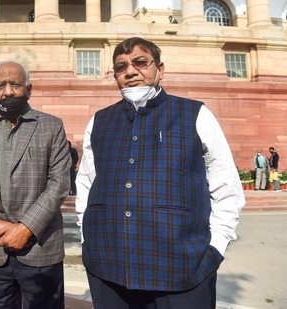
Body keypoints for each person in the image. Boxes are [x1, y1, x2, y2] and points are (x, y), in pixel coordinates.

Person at [75, 37, 245, 309]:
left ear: (160, 69)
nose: (130, 71)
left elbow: (226, 186)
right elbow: (86, 183)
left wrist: (215, 249)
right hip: (107, 266)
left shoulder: (195, 114)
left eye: (140, 62)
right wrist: (87, 239)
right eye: (121, 67)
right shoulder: (100, 121)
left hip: (181, 271)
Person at [0, 61, 71, 308]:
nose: (8, 91)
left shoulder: (51, 126)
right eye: (1, 85)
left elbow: (59, 183)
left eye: (15, 84)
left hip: (40, 249)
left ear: (29, 90)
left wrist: (26, 228)